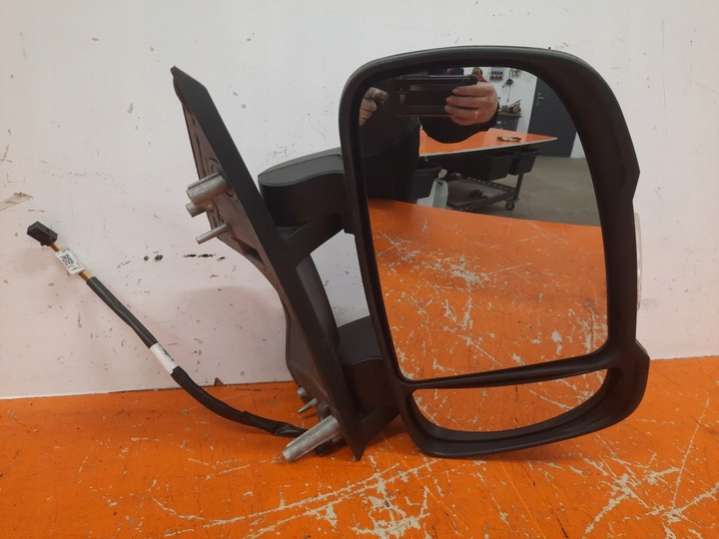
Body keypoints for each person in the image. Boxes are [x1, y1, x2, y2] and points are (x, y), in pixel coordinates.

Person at [359, 68, 498, 201]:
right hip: (354, 162)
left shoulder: (421, 54)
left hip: (393, 171)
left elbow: (442, 128)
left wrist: (480, 108)